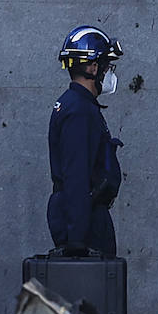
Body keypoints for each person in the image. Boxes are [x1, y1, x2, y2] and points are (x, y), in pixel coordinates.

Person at [48, 26, 124, 257]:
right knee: (95, 290)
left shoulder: (77, 105)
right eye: (106, 66)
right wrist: (77, 241)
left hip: (84, 215)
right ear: (93, 67)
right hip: (86, 221)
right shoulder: (79, 111)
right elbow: (76, 176)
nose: (108, 73)